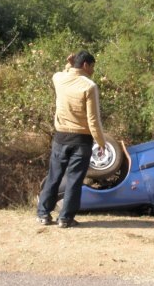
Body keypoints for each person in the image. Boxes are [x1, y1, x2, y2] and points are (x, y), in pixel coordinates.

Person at [36, 50, 106, 228]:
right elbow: (93, 119)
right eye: (92, 67)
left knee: (54, 176)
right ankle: (65, 218)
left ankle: (43, 214)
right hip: (81, 139)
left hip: (60, 137)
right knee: (74, 180)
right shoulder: (89, 86)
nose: (93, 71)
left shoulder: (59, 78)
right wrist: (101, 142)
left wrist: (69, 64)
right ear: (86, 65)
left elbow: (65, 72)